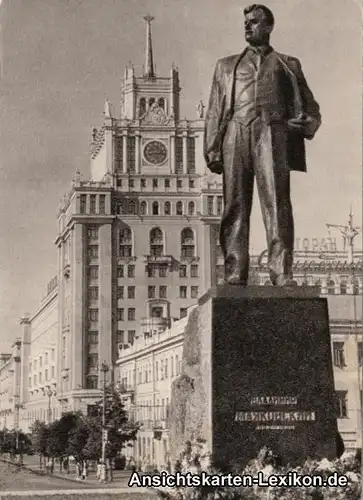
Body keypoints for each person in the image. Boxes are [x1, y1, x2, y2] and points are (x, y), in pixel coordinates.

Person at [204, 4, 321, 286]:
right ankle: (235, 273)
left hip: (274, 135)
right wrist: (211, 147)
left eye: (254, 22)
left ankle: (281, 272)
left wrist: (306, 123)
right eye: (246, 22)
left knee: (277, 204)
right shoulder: (225, 65)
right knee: (234, 205)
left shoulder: (288, 64)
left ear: (268, 27)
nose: (247, 26)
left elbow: (311, 108)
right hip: (236, 133)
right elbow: (214, 110)